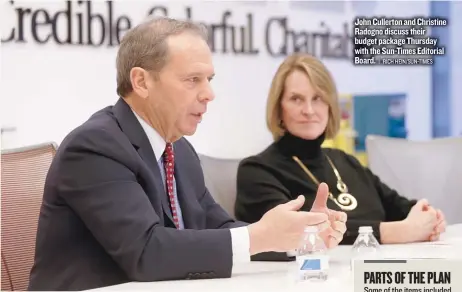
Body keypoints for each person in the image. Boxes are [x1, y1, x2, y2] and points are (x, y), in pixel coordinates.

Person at [28, 19, 347, 291]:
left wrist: (294, 238)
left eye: (209, 80)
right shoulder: (95, 147)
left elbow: (217, 229)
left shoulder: (178, 149)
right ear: (141, 81)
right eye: (192, 80)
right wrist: (257, 236)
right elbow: (146, 252)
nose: (209, 94)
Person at [234, 53, 447, 246]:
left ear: (330, 106)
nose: (308, 110)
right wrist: (398, 232)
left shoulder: (345, 161)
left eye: (317, 98)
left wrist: (429, 218)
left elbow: (401, 207)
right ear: (278, 108)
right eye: (296, 99)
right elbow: (296, 233)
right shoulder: (257, 171)